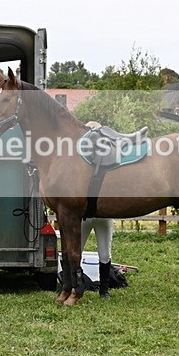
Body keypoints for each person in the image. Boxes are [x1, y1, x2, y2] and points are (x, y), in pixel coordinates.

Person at [81, 120, 115, 299]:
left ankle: (104, 289)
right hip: (84, 215)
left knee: (105, 253)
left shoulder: (110, 164)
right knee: (76, 250)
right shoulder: (80, 163)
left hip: (103, 215)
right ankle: (76, 283)